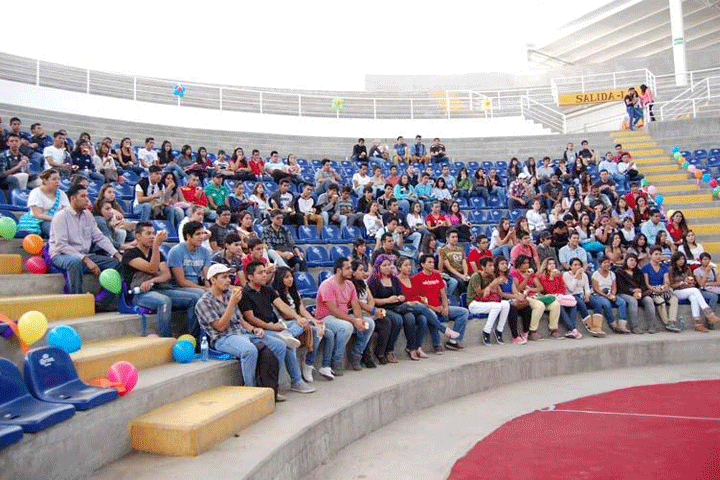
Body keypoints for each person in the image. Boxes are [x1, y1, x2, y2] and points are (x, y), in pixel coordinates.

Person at [194, 263, 283, 397]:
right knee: (249, 350)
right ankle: (250, 390)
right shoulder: (203, 302)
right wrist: (231, 304)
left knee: (279, 346)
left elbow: (240, 320)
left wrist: (254, 329)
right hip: (223, 338)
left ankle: (272, 387)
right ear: (213, 280)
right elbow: (220, 327)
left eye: (228, 277)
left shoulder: (229, 294)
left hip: (242, 332)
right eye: (224, 277)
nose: (228, 280)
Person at [239, 261, 316, 393]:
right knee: (288, 346)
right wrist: (272, 328)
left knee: (303, 323)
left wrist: (297, 317)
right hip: (260, 330)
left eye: (265, 272)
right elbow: (251, 319)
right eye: (260, 273)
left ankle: (288, 334)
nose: (265, 275)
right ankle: (296, 381)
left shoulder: (267, 289)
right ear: (250, 277)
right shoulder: (245, 293)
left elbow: (282, 305)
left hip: (276, 325)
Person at [122, 222, 203, 337]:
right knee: (164, 301)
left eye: (153, 233)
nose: (152, 236)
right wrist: (156, 245)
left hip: (160, 289)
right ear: (138, 236)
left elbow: (166, 275)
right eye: (148, 233)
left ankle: (192, 337)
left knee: (196, 297)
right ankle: (166, 338)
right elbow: (152, 268)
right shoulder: (130, 254)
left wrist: (152, 281)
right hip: (140, 293)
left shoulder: (157, 253)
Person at [50, 184, 122, 294]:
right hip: (61, 255)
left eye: (87, 196)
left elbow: (99, 237)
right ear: (73, 198)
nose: (87, 199)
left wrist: (116, 254)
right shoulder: (61, 217)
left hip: (84, 255)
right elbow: (62, 246)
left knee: (115, 263)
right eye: (83, 196)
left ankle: (103, 299)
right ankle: (76, 298)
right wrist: (86, 260)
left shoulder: (88, 215)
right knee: (75, 262)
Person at [315, 257, 375, 374]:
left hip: (343, 316)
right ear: (339, 270)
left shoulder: (350, 284)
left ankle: (356, 354)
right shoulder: (327, 285)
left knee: (370, 323)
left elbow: (355, 305)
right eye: (347, 268)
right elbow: (333, 310)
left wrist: (359, 319)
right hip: (326, 318)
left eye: (351, 268)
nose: (351, 271)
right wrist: (353, 321)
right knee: (347, 326)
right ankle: (336, 360)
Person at [413, 254, 468, 351]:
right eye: (429, 262)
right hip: (428, 308)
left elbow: (443, 295)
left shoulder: (437, 276)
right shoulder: (417, 278)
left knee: (463, 312)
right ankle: (437, 344)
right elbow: (419, 301)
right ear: (422, 264)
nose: (432, 264)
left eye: (433, 262)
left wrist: (445, 307)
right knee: (432, 316)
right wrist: (435, 308)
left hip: (440, 306)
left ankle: (454, 342)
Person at [367, 255, 413, 363]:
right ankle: (388, 350)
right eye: (384, 265)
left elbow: (400, 294)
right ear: (378, 267)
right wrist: (388, 300)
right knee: (397, 319)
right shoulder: (373, 281)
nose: (387, 267)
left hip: (395, 306)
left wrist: (400, 298)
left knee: (412, 315)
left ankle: (411, 347)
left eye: (389, 265)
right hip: (382, 307)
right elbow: (372, 300)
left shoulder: (394, 279)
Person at [669, 252, 719, 332]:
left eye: (683, 259)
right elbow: (671, 285)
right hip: (677, 291)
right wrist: (681, 283)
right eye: (679, 259)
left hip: (688, 289)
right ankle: (708, 313)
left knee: (694, 298)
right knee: (695, 290)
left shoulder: (686, 268)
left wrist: (690, 282)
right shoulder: (671, 270)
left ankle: (697, 323)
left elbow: (693, 282)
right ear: (675, 260)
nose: (681, 261)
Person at [467, 257, 511, 345]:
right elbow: (479, 293)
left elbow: (495, 291)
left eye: (493, 266)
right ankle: (486, 331)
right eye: (490, 266)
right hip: (474, 303)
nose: (493, 268)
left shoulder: (492, 276)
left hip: (486, 302)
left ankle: (499, 330)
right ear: (483, 267)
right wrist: (490, 286)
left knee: (506, 304)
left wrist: (493, 285)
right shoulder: (476, 276)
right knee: (497, 306)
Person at [350, 261, 386, 368]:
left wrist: (371, 310)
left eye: (364, 270)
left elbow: (371, 299)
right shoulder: (350, 285)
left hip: (367, 311)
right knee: (368, 324)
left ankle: (382, 352)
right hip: (356, 311)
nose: (364, 272)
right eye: (360, 270)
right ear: (353, 273)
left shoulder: (364, 283)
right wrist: (372, 311)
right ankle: (364, 356)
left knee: (386, 321)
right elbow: (357, 303)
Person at [642, 246, 681, 332]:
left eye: (660, 254)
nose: (658, 256)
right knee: (660, 301)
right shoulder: (646, 267)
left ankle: (672, 321)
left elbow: (666, 281)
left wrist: (665, 287)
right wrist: (655, 290)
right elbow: (647, 284)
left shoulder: (664, 267)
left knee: (674, 299)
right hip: (652, 290)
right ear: (650, 255)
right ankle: (666, 323)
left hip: (662, 288)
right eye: (656, 254)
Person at [616, 253, 657, 334]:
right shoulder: (619, 272)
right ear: (626, 261)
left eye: (635, 261)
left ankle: (652, 326)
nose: (633, 262)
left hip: (639, 293)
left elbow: (643, 285)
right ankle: (634, 326)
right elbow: (621, 287)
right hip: (624, 293)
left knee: (648, 300)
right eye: (631, 260)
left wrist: (639, 290)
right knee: (633, 301)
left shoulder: (639, 272)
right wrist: (633, 291)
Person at [168, 221, 212, 290]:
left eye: (203, 233)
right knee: (200, 294)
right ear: (188, 236)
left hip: (198, 285)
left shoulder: (205, 251)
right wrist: (203, 289)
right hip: (179, 288)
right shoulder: (176, 251)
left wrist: (210, 290)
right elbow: (181, 282)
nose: (201, 237)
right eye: (198, 234)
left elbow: (206, 277)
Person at [591, 256, 630, 333]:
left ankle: (622, 325)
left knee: (622, 302)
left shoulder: (612, 274)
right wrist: (606, 296)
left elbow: (614, 287)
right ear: (600, 264)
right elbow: (596, 289)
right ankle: (612, 324)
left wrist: (613, 294)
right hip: (599, 294)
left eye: (608, 262)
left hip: (610, 293)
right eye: (604, 262)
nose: (607, 264)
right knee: (607, 304)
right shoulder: (595, 274)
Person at [0, 133, 36, 199]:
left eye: (16, 141)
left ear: (19, 143)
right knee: (22, 176)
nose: (14, 143)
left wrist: (26, 165)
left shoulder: (22, 156)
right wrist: (18, 167)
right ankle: (20, 198)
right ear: (8, 143)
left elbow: (27, 174)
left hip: (22, 178)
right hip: (5, 179)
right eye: (11, 141)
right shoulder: (2, 156)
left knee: (41, 181)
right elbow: (1, 174)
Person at [440, 229, 469, 299]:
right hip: (451, 273)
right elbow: (449, 267)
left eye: (456, 237)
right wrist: (461, 276)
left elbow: (464, 262)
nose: (455, 239)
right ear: (447, 238)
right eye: (453, 237)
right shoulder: (443, 250)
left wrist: (465, 274)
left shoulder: (460, 249)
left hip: (461, 272)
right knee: (461, 282)